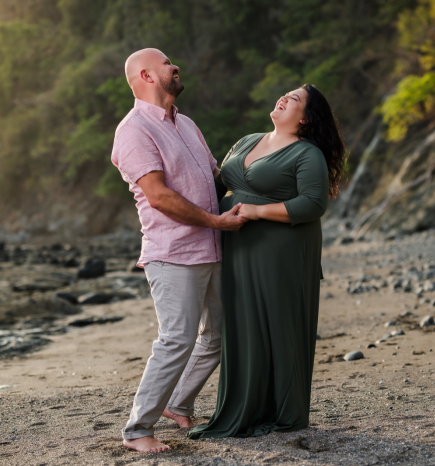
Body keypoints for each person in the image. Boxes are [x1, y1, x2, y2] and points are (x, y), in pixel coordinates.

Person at [187, 84, 346, 438]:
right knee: (242, 327)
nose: (284, 97)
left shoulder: (307, 154)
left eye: (295, 98)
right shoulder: (247, 141)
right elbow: (214, 185)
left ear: (305, 118)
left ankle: (282, 412)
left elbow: (313, 204)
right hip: (239, 247)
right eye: (285, 93)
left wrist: (258, 211)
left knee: (278, 326)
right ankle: (243, 408)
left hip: (282, 250)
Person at [111, 48, 247, 453]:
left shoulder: (186, 123)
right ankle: (138, 430)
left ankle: (177, 402)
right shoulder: (133, 129)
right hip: (172, 253)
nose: (176, 67)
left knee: (218, 337)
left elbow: (216, 176)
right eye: (168, 63)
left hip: (213, 247)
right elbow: (158, 196)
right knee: (176, 339)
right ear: (147, 76)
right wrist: (217, 222)